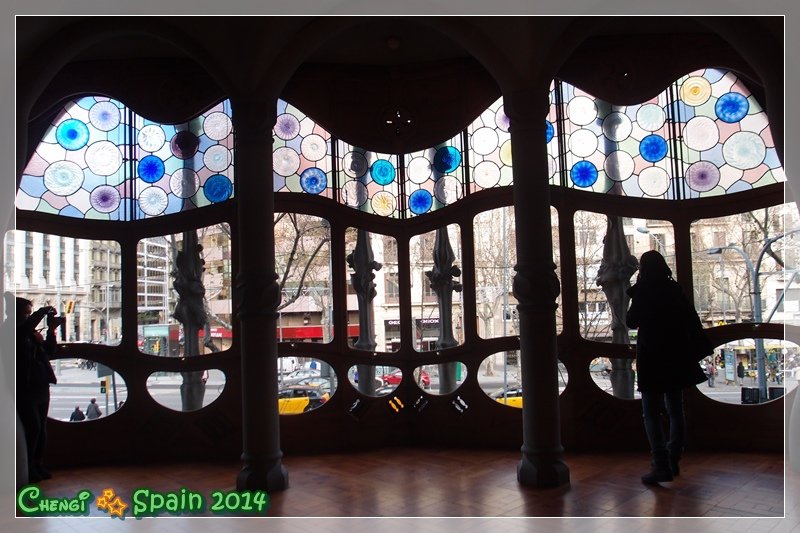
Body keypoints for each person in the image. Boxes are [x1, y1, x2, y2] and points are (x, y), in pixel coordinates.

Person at [626, 251, 707, 485]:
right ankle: (673, 459)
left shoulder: (643, 291)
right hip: (676, 356)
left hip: (651, 356)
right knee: (675, 409)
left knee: (650, 412)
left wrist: (635, 292)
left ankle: (659, 464)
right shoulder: (675, 290)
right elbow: (691, 320)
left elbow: (631, 321)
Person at [16, 298, 59, 482]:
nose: (27, 316)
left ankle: (37, 464)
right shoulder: (14, 331)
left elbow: (50, 351)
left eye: (29, 312)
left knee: (41, 429)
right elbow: (23, 330)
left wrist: (51, 331)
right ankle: (28, 467)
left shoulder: (31, 333)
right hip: (25, 388)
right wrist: (41, 312)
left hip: (41, 385)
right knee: (33, 428)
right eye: (25, 312)